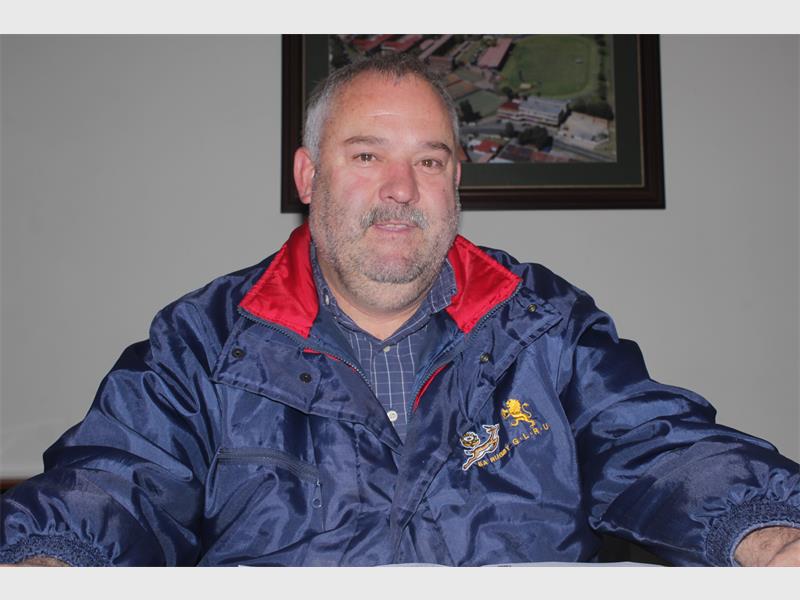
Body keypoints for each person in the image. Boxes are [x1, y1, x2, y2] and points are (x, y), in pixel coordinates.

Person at [1, 53, 799, 567]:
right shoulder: (203, 340)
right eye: (366, 155)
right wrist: (50, 563)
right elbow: (118, 483)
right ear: (308, 176)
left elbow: (661, 450)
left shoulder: (545, 322)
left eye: (430, 160)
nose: (400, 189)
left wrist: (768, 532)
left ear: (456, 182)